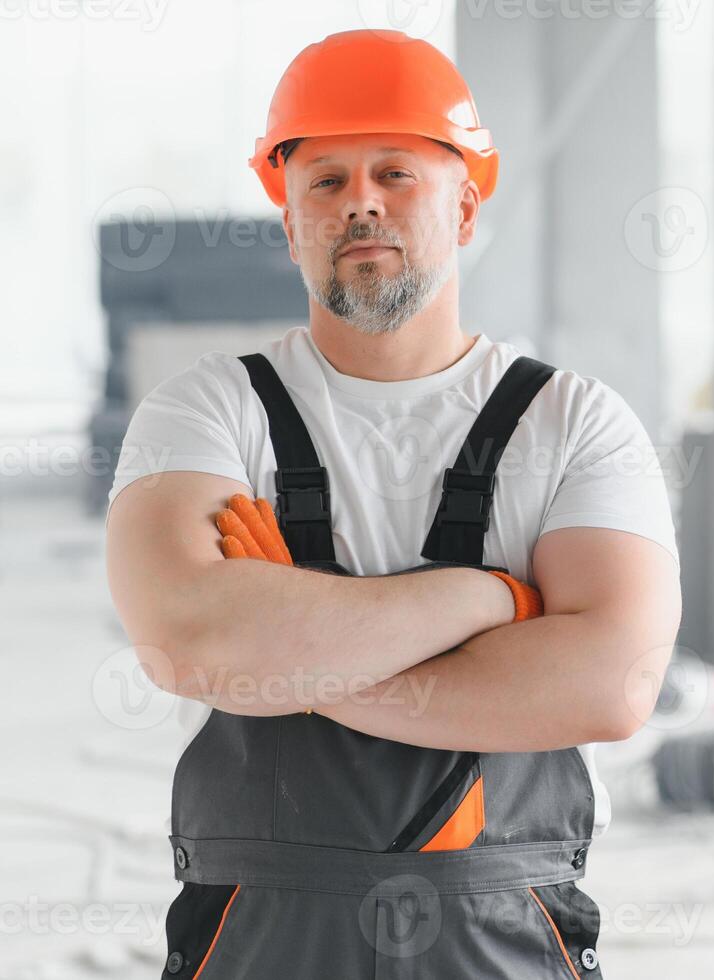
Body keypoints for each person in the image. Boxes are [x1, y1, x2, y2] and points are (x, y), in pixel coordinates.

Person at [104, 29, 681, 978]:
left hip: (504, 934)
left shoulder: (574, 423)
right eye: (325, 180)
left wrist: (287, 656)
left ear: (464, 207)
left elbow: (610, 685)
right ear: (291, 225)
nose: (359, 201)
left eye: (396, 173)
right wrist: (490, 600)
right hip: (257, 937)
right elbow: (188, 646)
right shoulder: (205, 412)